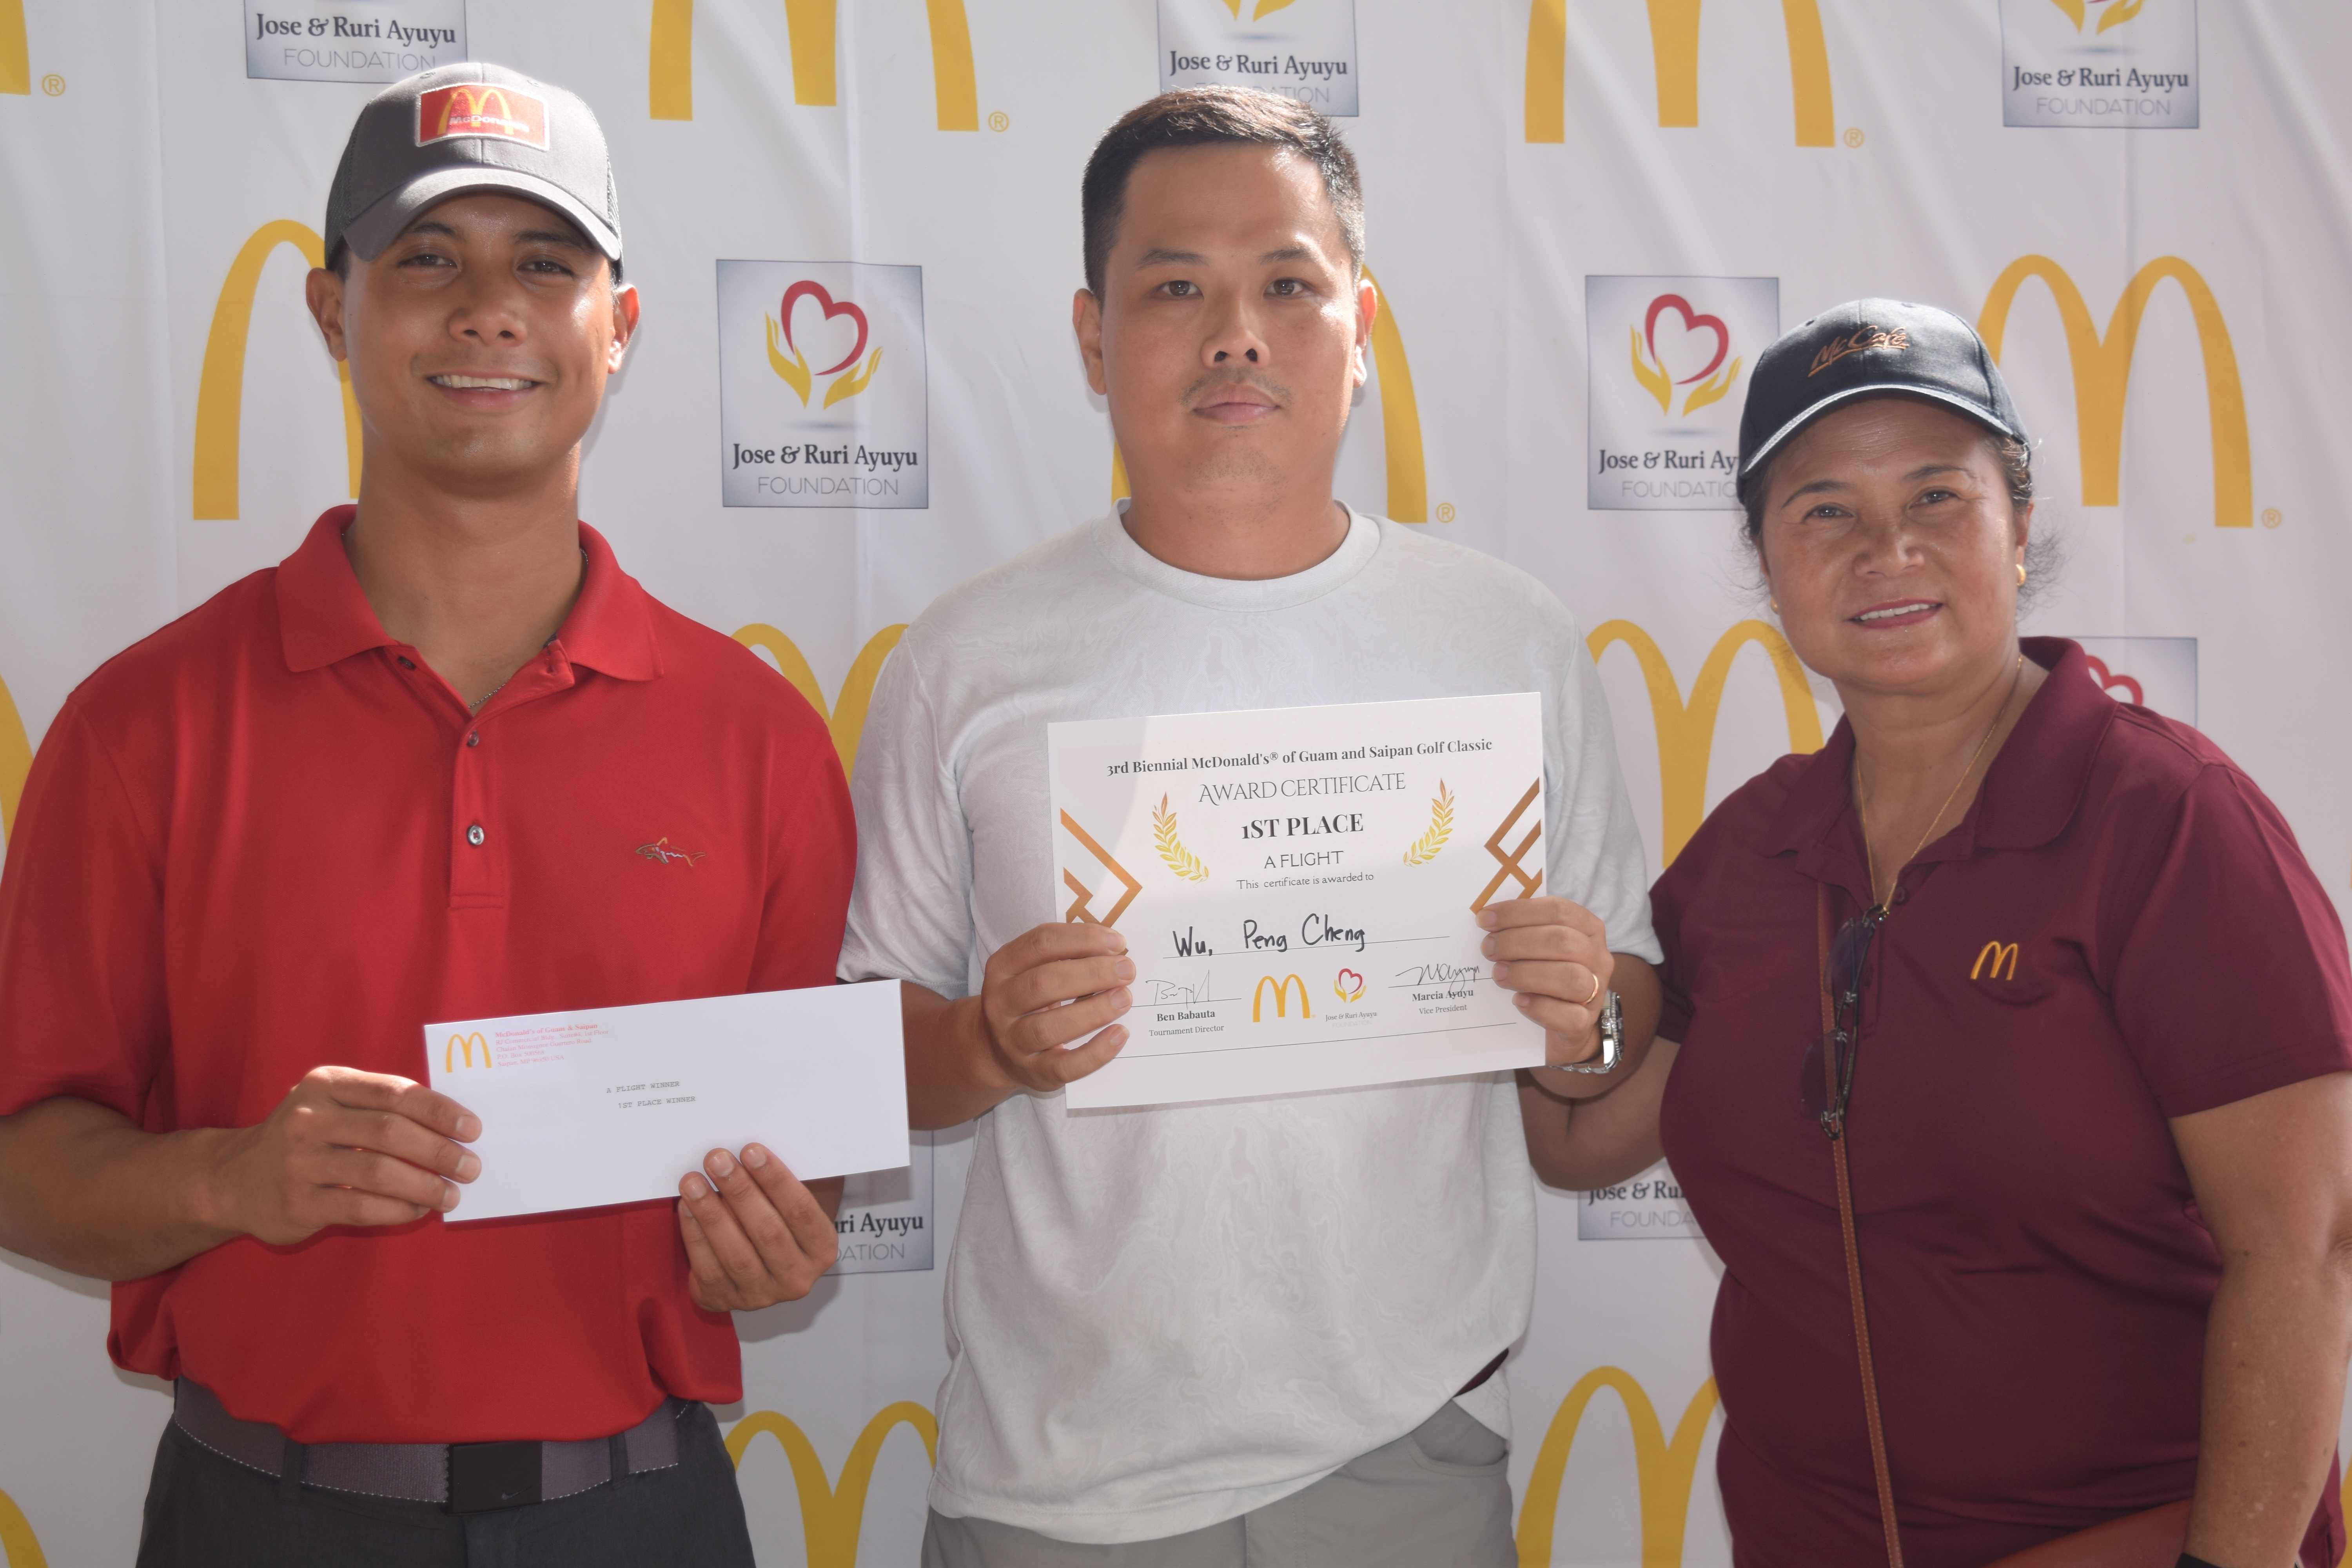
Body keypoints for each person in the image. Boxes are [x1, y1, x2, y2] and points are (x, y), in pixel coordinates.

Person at [0, 63, 855, 1566]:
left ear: (622, 324)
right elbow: (19, 1157)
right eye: (425, 262)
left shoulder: (761, 739)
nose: (487, 311)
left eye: (545, 262)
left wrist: (769, 1240)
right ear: (333, 314)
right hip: (260, 1515)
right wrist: (231, 1177)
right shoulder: (145, 725)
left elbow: (789, 1163)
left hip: (638, 1514)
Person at [837, 85, 1663, 1566]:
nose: (1237, 333)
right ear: (1092, 339)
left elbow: (1620, 1026)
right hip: (1055, 1476)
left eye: (1288, 283)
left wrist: (1586, 1016)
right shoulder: (964, 660)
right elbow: (868, 1049)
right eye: (1175, 288)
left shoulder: (1510, 638)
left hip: (1405, 1444)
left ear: (1359, 326)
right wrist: (990, 1042)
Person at [1521, 299, 2352, 1568]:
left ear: (2018, 526)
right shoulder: (1755, 848)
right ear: (1767, 562)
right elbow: (1581, 1132)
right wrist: (1554, 1015)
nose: (1885, 550)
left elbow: (2306, 1247)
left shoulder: (2167, 819)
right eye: (1825, 511)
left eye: (1937, 498)